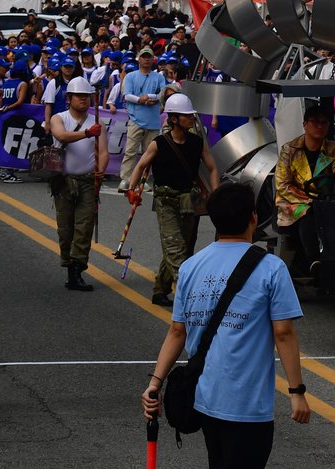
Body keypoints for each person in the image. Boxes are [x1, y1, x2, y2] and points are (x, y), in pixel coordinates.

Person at [142, 183, 309, 469]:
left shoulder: (191, 266)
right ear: (254, 218)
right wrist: (297, 392)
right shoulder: (271, 268)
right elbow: (283, 332)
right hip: (248, 404)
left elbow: (177, 332)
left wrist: (154, 383)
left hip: (206, 398)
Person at [128, 93, 219, 305]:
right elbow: (141, 166)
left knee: (184, 245)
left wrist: (215, 193)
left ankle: (160, 290)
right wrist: (131, 190)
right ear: (174, 118)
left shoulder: (197, 142)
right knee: (175, 247)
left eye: (192, 116)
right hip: (165, 200)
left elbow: (212, 168)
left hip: (189, 200)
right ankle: (187, 295)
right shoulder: (158, 143)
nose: (192, 119)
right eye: (187, 116)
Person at [274, 103, 335, 278]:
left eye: (324, 122)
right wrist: (308, 201)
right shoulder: (289, 150)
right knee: (308, 213)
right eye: (315, 122)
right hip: (292, 203)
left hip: (322, 203)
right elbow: (283, 185)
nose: (320, 126)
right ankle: (314, 260)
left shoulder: (332, 149)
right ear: (305, 124)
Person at [47, 77, 106, 291]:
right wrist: (87, 133)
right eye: (79, 96)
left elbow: (103, 150)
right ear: (69, 98)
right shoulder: (58, 117)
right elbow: (60, 136)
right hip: (64, 181)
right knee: (66, 227)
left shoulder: (97, 122)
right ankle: (68, 264)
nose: (83, 99)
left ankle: (77, 269)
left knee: (85, 227)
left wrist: (102, 169)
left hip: (88, 181)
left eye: (86, 96)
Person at [120, 46, 166, 193]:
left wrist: (152, 97)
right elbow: (127, 95)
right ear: (139, 59)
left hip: (153, 120)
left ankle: (143, 179)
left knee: (149, 152)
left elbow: (164, 93)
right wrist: (141, 99)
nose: (146, 59)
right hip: (136, 118)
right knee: (130, 151)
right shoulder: (131, 76)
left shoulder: (159, 77)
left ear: (153, 60)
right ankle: (126, 179)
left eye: (149, 57)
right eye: (144, 56)